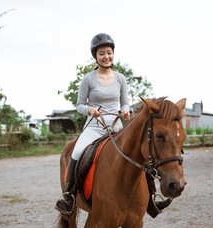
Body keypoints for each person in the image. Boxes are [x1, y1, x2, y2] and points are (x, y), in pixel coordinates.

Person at [55, 33, 171, 218]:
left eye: (109, 52)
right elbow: (79, 106)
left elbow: (124, 102)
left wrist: (125, 111)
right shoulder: (88, 79)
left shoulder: (120, 78)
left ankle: (151, 199)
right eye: (102, 53)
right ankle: (68, 197)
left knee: (140, 155)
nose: (106, 56)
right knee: (76, 153)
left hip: (117, 127)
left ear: (113, 54)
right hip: (94, 126)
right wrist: (90, 110)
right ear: (95, 56)